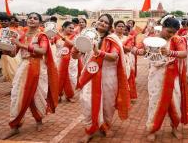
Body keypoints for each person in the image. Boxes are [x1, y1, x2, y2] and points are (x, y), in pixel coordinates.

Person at [132, 15, 188, 141]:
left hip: (172, 73)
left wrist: (171, 53)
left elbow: (184, 53)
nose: (171, 34)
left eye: (174, 32)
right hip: (156, 74)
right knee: (155, 101)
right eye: (169, 31)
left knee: (175, 100)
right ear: (163, 27)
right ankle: (152, 128)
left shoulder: (177, 39)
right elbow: (134, 49)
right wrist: (140, 52)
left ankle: (175, 127)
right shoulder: (150, 39)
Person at [1, 12, 59, 139]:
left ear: (39, 22)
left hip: (38, 68)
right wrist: (5, 50)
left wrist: (21, 45)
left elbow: (42, 51)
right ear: (26, 20)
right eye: (30, 18)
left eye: (35, 18)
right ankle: (15, 126)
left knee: (37, 95)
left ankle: (39, 120)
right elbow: (14, 53)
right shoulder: (21, 35)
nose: (32, 20)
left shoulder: (41, 36)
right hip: (23, 67)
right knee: (18, 95)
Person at [74, 14, 130, 143]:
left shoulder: (112, 39)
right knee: (87, 102)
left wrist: (98, 52)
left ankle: (104, 126)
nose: (103, 23)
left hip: (107, 76)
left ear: (109, 26)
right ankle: (89, 130)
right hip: (90, 74)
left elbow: (114, 56)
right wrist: (75, 51)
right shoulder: (87, 36)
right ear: (97, 22)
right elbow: (76, 57)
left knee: (107, 105)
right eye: (101, 21)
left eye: (106, 22)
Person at [54, 21, 79, 102]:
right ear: (64, 27)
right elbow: (50, 42)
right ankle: (58, 94)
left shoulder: (75, 36)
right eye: (70, 27)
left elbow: (73, 44)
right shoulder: (57, 36)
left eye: (73, 28)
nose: (72, 29)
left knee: (71, 77)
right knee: (59, 77)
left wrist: (64, 38)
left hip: (71, 60)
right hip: (59, 59)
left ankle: (70, 95)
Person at [114, 20, 137, 101]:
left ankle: (124, 97)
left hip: (125, 60)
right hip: (114, 61)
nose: (121, 28)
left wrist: (119, 46)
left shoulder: (128, 38)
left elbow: (128, 49)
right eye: (119, 26)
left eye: (122, 26)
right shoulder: (111, 37)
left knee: (125, 78)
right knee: (115, 79)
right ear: (115, 28)